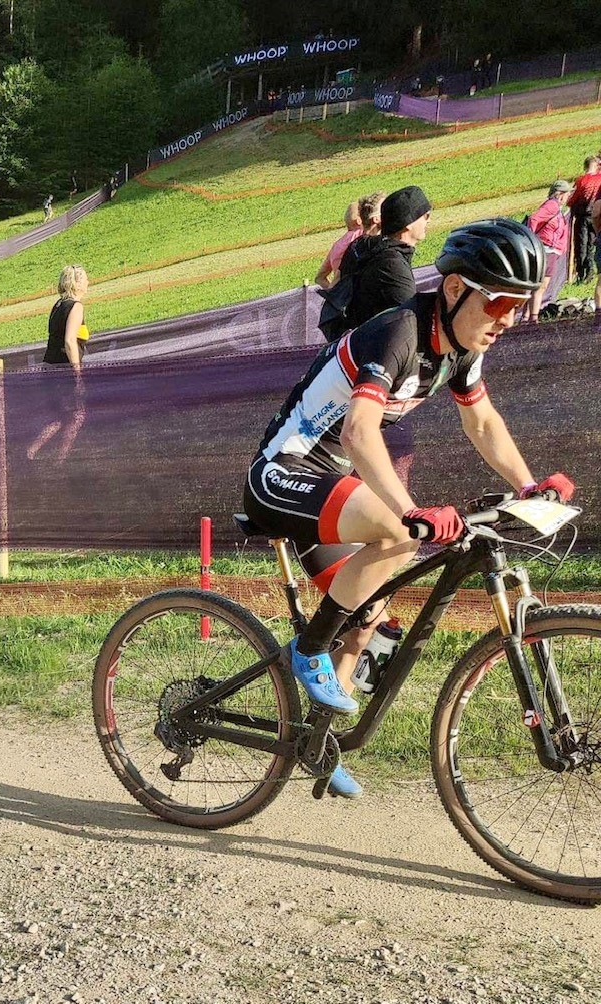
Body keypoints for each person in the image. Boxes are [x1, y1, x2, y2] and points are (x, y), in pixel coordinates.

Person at [242, 218, 572, 799]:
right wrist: (410, 510)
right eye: (500, 303)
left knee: (367, 613)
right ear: (455, 290)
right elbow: (358, 433)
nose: (508, 319)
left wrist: (527, 486)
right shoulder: (400, 332)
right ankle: (309, 650)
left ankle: (318, 741)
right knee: (398, 534)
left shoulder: (459, 348)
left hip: (331, 482)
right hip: (283, 471)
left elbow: (482, 421)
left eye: (521, 305)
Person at [338, 184, 432, 331]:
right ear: (408, 223)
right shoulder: (393, 266)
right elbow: (413, 321)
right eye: (426, 216)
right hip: (374, 341)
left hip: (353, 338)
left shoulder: (361, 246)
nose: (428, 220)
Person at [27, 265, 88, 462]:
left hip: (49, 367)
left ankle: (31, 453)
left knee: (58, 417)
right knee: (77, 416)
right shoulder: (76, 306)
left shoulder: (58, 305)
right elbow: (69, 342)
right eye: (85, 279)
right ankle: (60, 460)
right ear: (78, 283)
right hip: (63, 371)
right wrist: (77, 373)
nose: (88, 282)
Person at [527, 179, 573, 322]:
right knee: (540, 286)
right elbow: (534, 219)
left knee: (540, 285)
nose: (568, 197)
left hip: (550, 251)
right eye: (567, 194)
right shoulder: (552, 205)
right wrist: (532, 238)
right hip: (545, 249)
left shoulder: (555, 206)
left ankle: (529, 316)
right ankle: (532, 318)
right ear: (560, 194)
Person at [314, 203, 362, 290]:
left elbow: (319, 278)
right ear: (359, 220)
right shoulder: (363, 236)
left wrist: (334, 292)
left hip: (344, 294)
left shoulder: (336, 246)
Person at [568, 158, 601, 283]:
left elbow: (571, 200)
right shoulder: (600, 179)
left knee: (581, 245)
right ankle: (591, 270)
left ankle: (581, 273)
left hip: (582, 217)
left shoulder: (581, 180)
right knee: (592, 244)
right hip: (597, 217)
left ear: (585, 166)